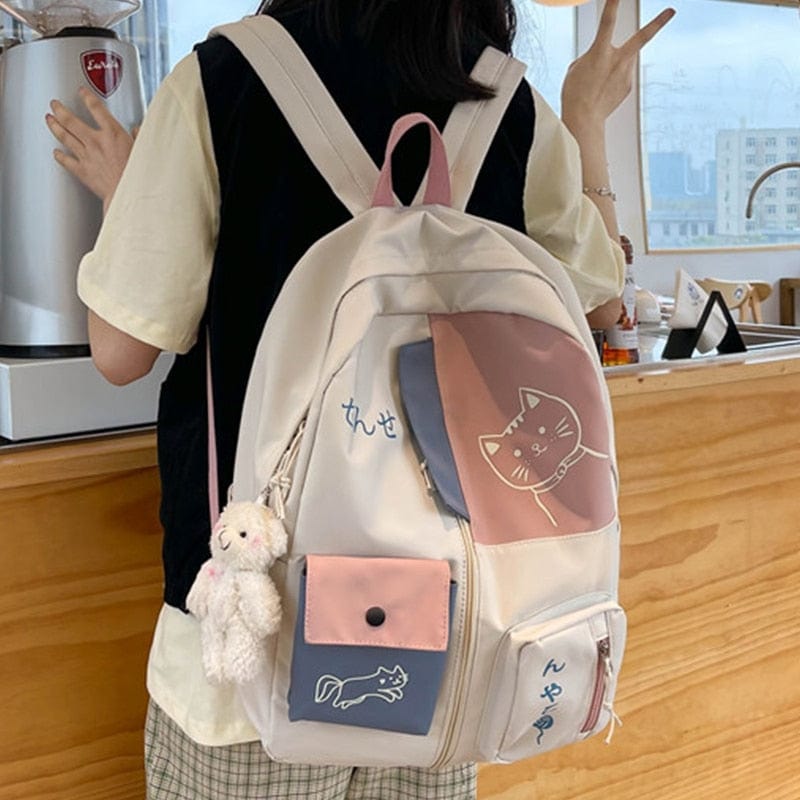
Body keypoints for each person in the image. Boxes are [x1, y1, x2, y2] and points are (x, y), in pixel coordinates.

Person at [46, 0, 674, 797]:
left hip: (250, 641)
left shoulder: (221, 81)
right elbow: (600, 304)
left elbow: (120, 350)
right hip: (452, 638)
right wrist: (585, 116)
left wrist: (127, 189)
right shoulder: (508, 101)